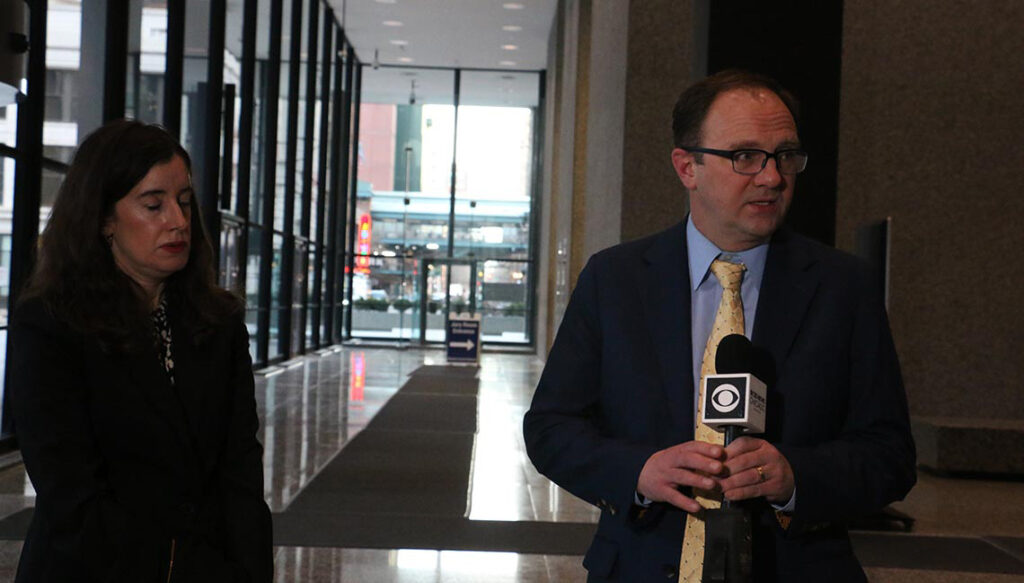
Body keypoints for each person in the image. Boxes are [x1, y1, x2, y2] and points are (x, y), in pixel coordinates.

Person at [523, 70, 916, 582]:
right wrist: (639, 471)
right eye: (745, 156)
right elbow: (551, 428)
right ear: (687, 166)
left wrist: (795, 476)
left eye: (785, 155)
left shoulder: (844, 288)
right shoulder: (615, 280)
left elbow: (890, 454)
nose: (772, 177)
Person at [9, 120, 273, 582]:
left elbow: (241, 472)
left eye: (184, 201)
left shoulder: (219, 323)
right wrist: (181, 570)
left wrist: (247, 571)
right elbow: (70, 494)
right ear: (104, 219)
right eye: (154, 205)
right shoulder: (51, 325)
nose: (178, 221)